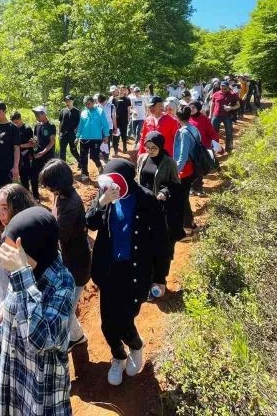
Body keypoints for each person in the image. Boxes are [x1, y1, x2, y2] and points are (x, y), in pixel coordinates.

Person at [0, 207, 75, 415]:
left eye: (14, 251)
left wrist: (22, 277)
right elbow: (13, 316)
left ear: (36, 248)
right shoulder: (21, 272)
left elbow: (39, 341)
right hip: (13, 375)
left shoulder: (62, 283)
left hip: (40, 388)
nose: (8, 260)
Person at [86, 159, 160, 386]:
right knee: (108, 323)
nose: (111, 187)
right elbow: (90, 222)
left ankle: (135, 344)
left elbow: (161, 240)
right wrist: (102, 201)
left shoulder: (146, 199)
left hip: (135, 270)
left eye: (115, 183)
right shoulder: (106, 195)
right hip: (109, 269)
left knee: (125, 318)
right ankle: (118, 356)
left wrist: (159, 277)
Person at [39, 159, 91, 351]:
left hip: (76, 265)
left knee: (66, 309)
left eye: (49, 185)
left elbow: (57, 234)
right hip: (67, 261)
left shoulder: (72, 205)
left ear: (59, 183)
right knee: (67, 306)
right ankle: (76, 337)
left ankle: (67, 341)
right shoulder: (61, 196)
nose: (48, 189)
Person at [137, 132, 183, 298]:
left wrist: (165, 192)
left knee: (161, 248)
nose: (150, 150)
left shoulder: (169, 163)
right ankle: (147, 281)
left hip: (161, 211)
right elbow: (139, 181)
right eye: (147, 147)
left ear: (161, 147)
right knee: (144, 246)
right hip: (144, 209)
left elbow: (176, 186)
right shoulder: (142, 159)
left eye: (154, 148)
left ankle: (159, 281)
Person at [0, 184, 36, 330]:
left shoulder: (24, 238)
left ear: (19, 208)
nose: (0, 213)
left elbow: (30, 275)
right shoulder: (5, 229)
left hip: (13, 308)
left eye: (5, 208)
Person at [173, 106, 201, 229]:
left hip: (185, 168)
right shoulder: (194, 128)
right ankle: (190, 223)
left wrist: (176, 171)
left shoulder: (183, 132)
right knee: (184, 197)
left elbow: (183, 156)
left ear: (178, 118)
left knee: (182, 198)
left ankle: (187, 227)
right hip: (194, 166)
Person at [76, 95, 110, 182]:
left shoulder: (100, 111)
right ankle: (84, 173)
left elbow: (105, 125)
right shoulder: (83, 113)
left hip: (96, 138)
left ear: (93, 102)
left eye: (89, 103)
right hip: (84, 138)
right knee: (83, 156)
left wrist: (106, 135)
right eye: (86, 104)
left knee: (94, 156)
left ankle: (99, 167)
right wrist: (77, 136)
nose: (87, 105)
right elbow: (80, 126)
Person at [188, 101, 219, 196]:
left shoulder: (204, 120)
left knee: (199, 169)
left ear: (198, 108)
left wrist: (215, 142)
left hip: (201, 149)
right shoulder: (186, 119)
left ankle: (198, 188)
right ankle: (191, 187)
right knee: (190, 169)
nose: (192, 109)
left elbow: (212, 132)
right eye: (190, 108)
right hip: (189, 148)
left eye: (194, 108)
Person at [31, 106, 56, 200]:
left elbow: (52, 141)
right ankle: (36, 198)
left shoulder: (51, 126)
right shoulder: (37, 126)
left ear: (44, 114)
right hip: (37, 155)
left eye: (38, 114)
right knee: (33, 177)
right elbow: (36, 140)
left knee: (50, 177)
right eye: (35, 114)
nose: (36, 116)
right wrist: (33, 144)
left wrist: (43, 152)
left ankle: (56, 197)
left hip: (48, 156)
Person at [210, 80, 240, 152]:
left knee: (229, 132)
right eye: (222, 88)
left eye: (225, 89)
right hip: (216, 115)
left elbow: (238, 105)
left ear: (228, 87)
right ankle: (214, 148)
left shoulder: (233, 95)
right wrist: (210, 115)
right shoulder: (216, 94)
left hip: (227, 116)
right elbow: (212, 104)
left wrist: (231, 108)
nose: (223, 90)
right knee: (213, 133)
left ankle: (229, 148)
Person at [11, 112, 35, 191]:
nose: (15, 124)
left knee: (27, 178)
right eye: (13, 123)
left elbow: (31, 144)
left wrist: (18, 146)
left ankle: (30, 195)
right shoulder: (13, 129)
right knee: (18, 177)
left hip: (26, 156)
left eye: (16, 122)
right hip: (16, 157)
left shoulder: (27, 129)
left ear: (20, 119)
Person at [58, 95, 81, 164]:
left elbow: (79, 124)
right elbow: (60, 123)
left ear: (73, 101)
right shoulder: (63, 111)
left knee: (73, 150)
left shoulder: (77, 111)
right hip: (63, 134)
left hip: (72, 134)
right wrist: (59, 134)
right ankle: (63, 167)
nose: (67, 103)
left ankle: (80, 162)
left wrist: (77, 136)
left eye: (69, 101)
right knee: (62, 151)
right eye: (66, 101)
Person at [98, 92, 117, 160]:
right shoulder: (97, 106)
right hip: (99, 128)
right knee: (99, 141)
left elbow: (114, 118)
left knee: (107, 142)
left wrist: (115, 128)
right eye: (100, 102)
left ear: (106, 99)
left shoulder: (112, 106)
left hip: (109, 127)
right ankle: (101, 155)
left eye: (103, 102)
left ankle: (106, 157)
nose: (102, 103)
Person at [113, 86, 131, 154]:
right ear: (118, 90)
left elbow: (129, 109)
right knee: (116, 134)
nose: (121, 91)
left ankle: (124, 147)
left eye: (123, 90)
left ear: (125, 91)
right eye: (120, 89)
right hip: (116, 120)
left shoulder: (127, 99)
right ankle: (116, 149)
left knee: (123, 134)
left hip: (124, 119)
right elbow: (113, 109)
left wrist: (128, 118)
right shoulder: (114, 99)